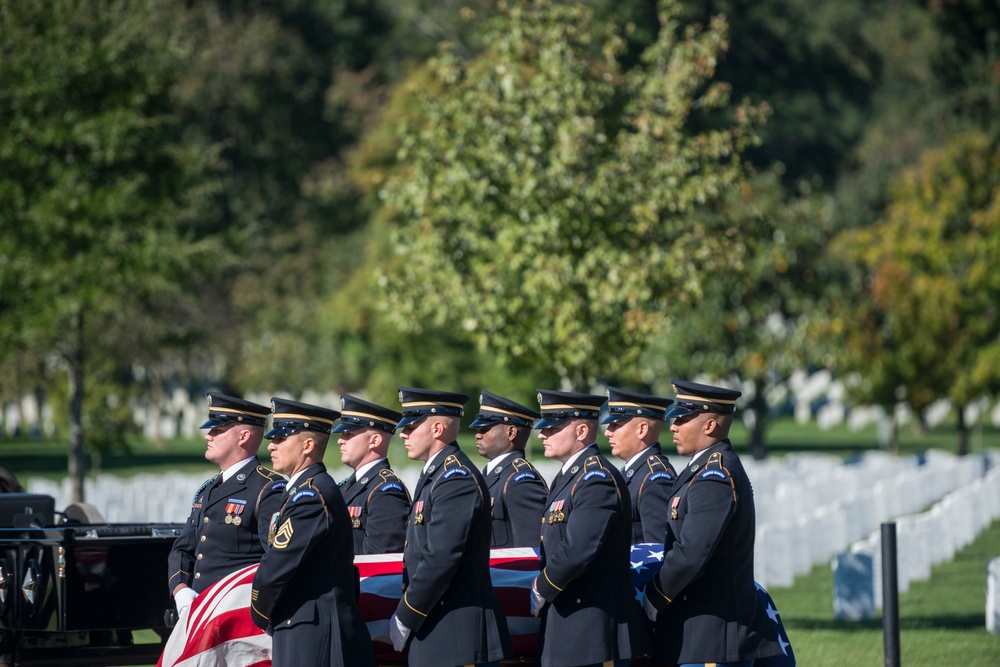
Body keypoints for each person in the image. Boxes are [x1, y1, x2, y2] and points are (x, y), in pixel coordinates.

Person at [643, 380, 783, 666]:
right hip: (699, 632)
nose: (673, 426)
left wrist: (652, 596)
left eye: (682, 419)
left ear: (709, 426)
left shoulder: (714, 478)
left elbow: (691, 554)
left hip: (711, 636)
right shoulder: (703, 470)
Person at [388, 387, 511, 667]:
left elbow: (440, 558)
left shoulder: (455, 479)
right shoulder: (438, 474)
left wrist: (407, 613)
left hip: (457, 636)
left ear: (438, 428)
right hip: (440, 632)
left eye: (411, 426)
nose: (403, 434)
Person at [250, 397, 376, 667]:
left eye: (281, 439)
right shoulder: (303, 491)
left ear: (307, 446)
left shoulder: (310, 495)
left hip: (312, 632)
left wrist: (258, 611)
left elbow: (276, 565)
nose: (271, 445)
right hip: (302, 625)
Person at [530, 389, 650, 667]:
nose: (541, 435)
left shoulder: (596, 479)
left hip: (593, 631)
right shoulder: (572, 477)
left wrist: (541, 586)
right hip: (571, 628)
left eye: (552, 427)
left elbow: (578, 549)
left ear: (581, 431)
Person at [167, 392, 285, 615]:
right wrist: (181, 589)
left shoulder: (268, 489)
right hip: (200, 612)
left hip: (237, 615)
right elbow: (183, 548)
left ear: (243, 437)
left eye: (217, 431)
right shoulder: (209, 489)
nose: (208, 436)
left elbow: (277, 560)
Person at [333, 394, 410, 554]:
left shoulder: (387, 491)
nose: (340, 440)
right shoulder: (347, 485)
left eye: (349, 434)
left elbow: (380, 563)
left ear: (374, 441)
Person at [470, 390, 547, 548]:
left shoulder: (521, 480)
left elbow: (529, 553)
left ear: (511, 432)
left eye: (485, 429)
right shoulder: (491, 475)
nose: (478, 435)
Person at [602, 386, 677, 544]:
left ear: (642, 430)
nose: (607, 432)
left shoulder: (655, 479)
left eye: (615, 425)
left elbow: (657, 552)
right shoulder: (635, 472)